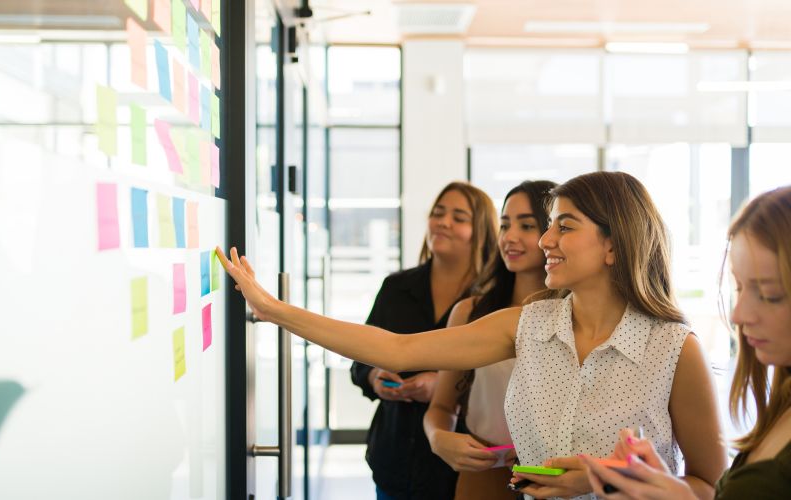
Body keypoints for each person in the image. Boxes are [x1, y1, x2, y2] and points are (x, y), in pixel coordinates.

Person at [215, 171, 727, 499]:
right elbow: (396, 347)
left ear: (615, 245)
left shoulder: (673, 351)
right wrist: (273, 309)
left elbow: (710, 487)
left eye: (563, 227)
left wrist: (605, 482)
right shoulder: (527, 325)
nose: (544, 240)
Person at [581, 186, 791, 500]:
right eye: (739, 288)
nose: (738, 314)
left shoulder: (676, 344)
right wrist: (662, 488)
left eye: (769, 295)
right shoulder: (781, 406)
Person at [350, 181, 499, 500]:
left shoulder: (490, 302)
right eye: (438, 213)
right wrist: (375, 376)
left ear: (482, 231)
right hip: (393, 458)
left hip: (457, 467)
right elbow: (360, 361)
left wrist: (443, 386)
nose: (443, 222)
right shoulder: (396, 287)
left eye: (459, 217)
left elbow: (500, 381)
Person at [422, 180, 556, 500]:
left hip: (555, 475)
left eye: (527, 226)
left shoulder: (575, 316)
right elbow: (440, 407)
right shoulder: (470, 311)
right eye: (505, 225)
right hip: (484, 471)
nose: (510, 237)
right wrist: (439, 438)